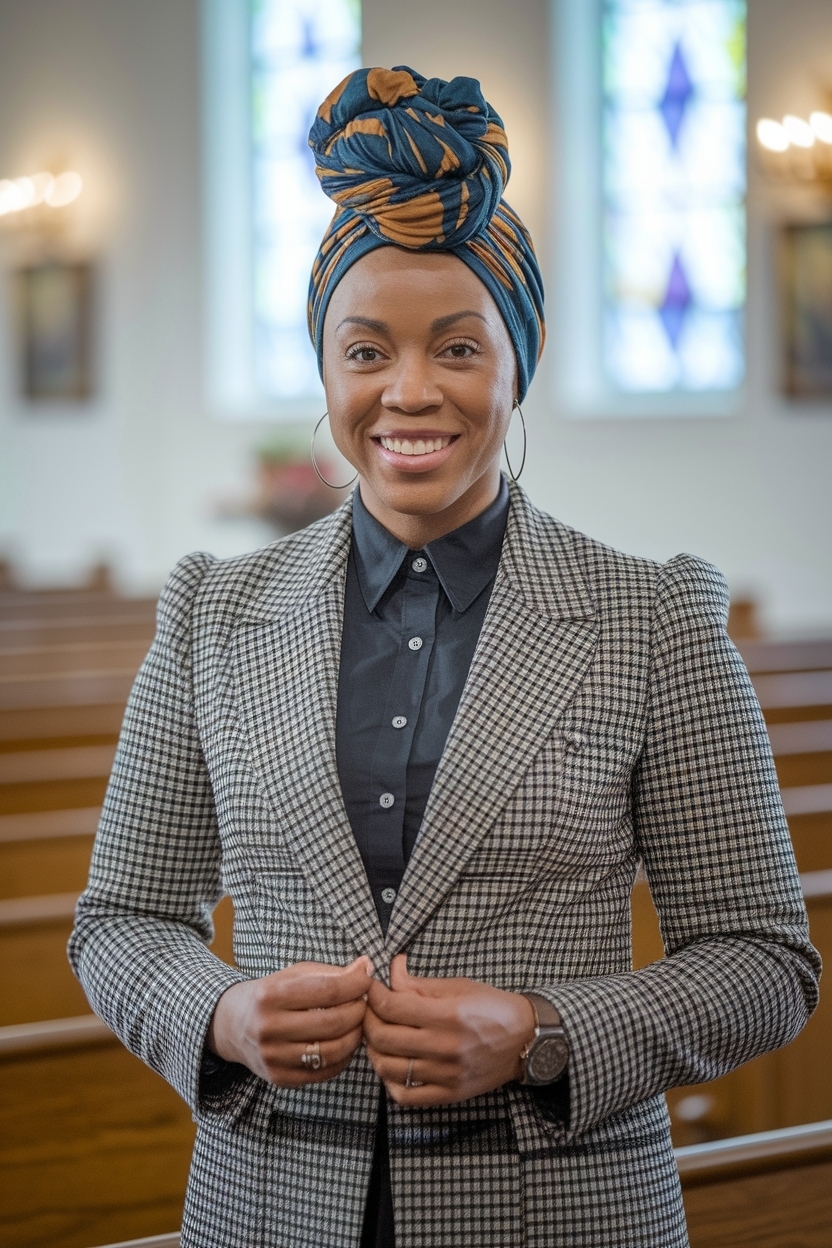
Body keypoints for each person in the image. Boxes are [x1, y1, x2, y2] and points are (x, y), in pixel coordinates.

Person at [70, 66, 820, 1248]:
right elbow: (119, 919)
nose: (407, 392)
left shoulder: (653, 618)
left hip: (558, 1211)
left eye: (457, 348)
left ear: (518, 367)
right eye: (365, 352)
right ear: (325, 372)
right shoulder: (213, 613)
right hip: (268, 1208)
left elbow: (765, 963)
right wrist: (220, 1013)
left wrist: (542, 1033)